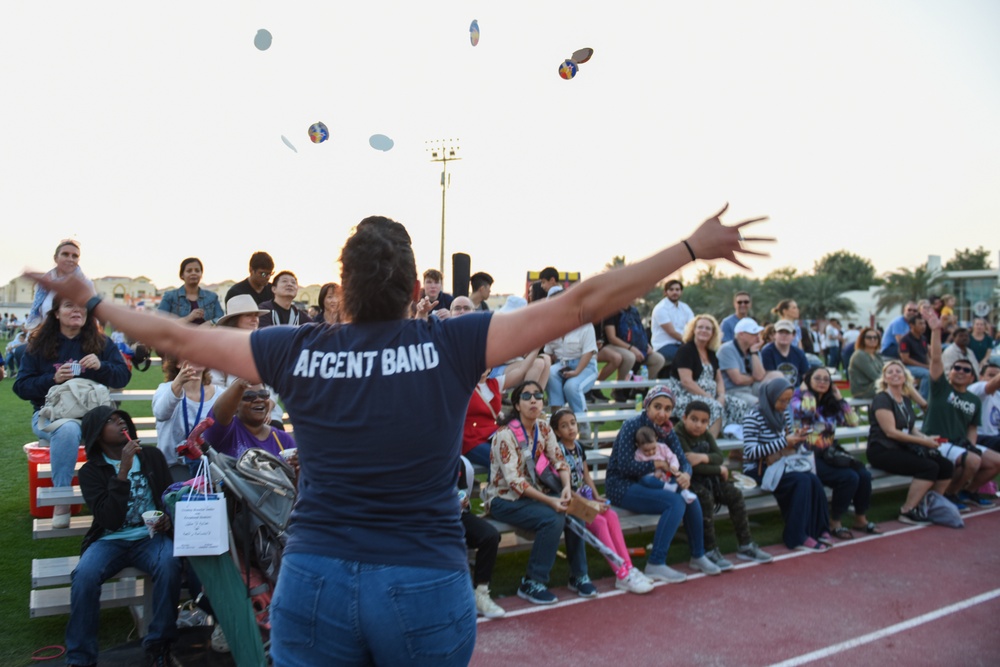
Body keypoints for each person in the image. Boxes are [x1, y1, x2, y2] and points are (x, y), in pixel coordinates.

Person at [29, 206, 765, 663]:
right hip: (423, 582)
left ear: (341, 289)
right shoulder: (453, 343)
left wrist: (93, 299)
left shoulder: (295, 348)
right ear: (417, 288)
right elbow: (583, 301)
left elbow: (171, 334)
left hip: (313, 581)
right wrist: (690, 247)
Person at [69, 406, 183, 667]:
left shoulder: (152, 457)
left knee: (169, 564)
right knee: (84, 576)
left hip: (149, 537)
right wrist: (123, 471)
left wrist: (167, 518)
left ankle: (159, 644)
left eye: (121, 418)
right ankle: (80, 658)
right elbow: (108, 519)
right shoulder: (91, 471)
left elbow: (169, 497)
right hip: (110, 539)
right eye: (110, 421)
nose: (119, 421)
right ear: (97, 434)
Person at [13, 298, 132, 528]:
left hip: (94, 415)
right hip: (50, 416)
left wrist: (102, 366)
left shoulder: (101, 342)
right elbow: (21, 387)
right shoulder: (39, 345)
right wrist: (52, 379)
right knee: (68, 429)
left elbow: (122, 377)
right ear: (56, 313)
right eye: (69, 305)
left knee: (114, 428)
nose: (77, 309)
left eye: (81, 307)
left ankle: (116, 497)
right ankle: (62, 500)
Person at [482, 381, 598, 604]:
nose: (533, 399)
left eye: (538, 395)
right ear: (516, 405)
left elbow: (560, 460)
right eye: (526, 396)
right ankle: (532, 582)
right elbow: (515, 483)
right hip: (504, 500)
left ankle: (579, 576)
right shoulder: (506, 435)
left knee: (575, 508)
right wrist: (551, 502)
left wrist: (566, 488)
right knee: (552, 517)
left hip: (534, 496)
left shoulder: (544, 428)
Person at [606, 386, 721, 582]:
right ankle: (656, 563)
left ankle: (698, 555)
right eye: (657, 407)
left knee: (690, 498)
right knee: (675, 502)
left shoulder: (667, 430)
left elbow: (682, 459)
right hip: (622, 486)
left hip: (654, 484)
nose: (662, 413)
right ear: (647, 405)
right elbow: (625, 466)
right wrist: (656, 464)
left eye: (667, 409)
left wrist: (686, 473)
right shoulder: (631, 426)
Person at [550, 408, 654, 594]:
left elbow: (586, 475)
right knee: (599, 523)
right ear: (557, 432)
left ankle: (628, 567)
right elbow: (563, 487)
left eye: (572, 423)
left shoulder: (579, 446)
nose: (570, 429)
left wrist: (597, 496)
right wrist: (590, 504)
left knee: (611, 515)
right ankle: (620, 573)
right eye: (564, 426)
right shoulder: (557, 451)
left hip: (586, 497)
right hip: (571, 502)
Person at [675, 400, 773, 568]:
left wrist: (704, 458)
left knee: (734, 494)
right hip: (686, 482)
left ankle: (746, 545)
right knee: (705, 497)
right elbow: (691, 468)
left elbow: (719, 456)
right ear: (684, 418)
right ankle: (709, 550)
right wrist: (718, 469)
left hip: (708, 479)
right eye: (694, 419)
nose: (699, 425)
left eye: (704, 421)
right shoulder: (678, 435)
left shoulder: (705, 434)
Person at [920, 306, 1000, 510]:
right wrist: (936, 331)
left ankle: (968, 491)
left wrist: (970, 445)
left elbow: (972, 428)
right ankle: (948, 494)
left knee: (995, 461)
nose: (961, 371)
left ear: (972, 376)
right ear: (950, 372)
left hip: (959, 443)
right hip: (936, 441)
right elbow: (936, 358)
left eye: (966, 369)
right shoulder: (941, 388)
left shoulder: (973, 399)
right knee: (973, 461)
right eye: (957, 368)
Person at [742, 378, 831, 552]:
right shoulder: (753, 416)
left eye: (788, 400)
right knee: (802, 481)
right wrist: (784, 441)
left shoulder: (784, 414)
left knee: (812, 479)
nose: (785, 404)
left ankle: (819, 529)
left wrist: (798, 438)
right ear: (770, 397)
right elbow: (751, 452)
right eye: (781, 400)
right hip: (758, 469)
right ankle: (796, 537)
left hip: (781, 464)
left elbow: (788, 442)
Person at [791, 367, 877, 539]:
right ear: (807, 381)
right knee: (849, 477)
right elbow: (807, 412)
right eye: (817, 378)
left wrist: (840, 399)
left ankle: (860, 518)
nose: (822, 382)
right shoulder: (796, 399)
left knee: (864, 474)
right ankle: (834, 521)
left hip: (829, 452)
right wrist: (806, 392)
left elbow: (852, 422)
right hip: (807, 455)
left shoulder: (830, 402)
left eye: (826, 379)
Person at [866, 360, 954, 525]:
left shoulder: (905, 399)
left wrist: (927, 439)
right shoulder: (882, 399)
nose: (894, 374)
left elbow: (911, 428)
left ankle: (928, 506)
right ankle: (907, 511)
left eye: (898, 371)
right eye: (890, 372)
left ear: (905, 377)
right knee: (929, 467)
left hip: (901, 447)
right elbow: (891, 432)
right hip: (882, 449)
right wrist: (924, 443)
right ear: (884, 378)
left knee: (946, 466)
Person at [665, 314, 748, 437]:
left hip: (709, 396)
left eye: (708, 328)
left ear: (713, 333)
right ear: (694, 330)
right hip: (685, 396)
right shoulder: (686, 350)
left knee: (739, 404)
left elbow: (719, 379)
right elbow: (686, 382)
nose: (704, 330)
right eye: (700, 327)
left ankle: (734, 445)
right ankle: (708, 446)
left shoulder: (711, 353)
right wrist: (709, 397)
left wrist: (721, 396)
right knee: (714, 407)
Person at [543, 286, 598, 438]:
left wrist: (577, 371)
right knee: (551, 372)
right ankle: (557, 420)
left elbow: (589, 352)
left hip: (586, 366)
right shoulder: (551, 326)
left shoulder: (584, 324)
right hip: (562, 365)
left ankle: (583, 425)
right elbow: (547, 353)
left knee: (571, 386)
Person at [455, 456, 506, 618]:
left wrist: (463, 502)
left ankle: (481, 593)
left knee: (490, 536)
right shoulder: (423, 460)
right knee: (447, 541)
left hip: (456, 514)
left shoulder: (459, 462)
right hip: (430, 517)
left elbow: (462, 492)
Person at [153, 356, 219, 470]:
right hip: (171, 466)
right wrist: (178, 383)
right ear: (177, 364)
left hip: (207, 466)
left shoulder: (219, 394)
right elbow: (161, 414)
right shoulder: (165, 390)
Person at [204, 379, 295, 459]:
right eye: (249, 396)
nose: (259, 400)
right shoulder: (225, 434)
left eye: (263, 394)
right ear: (235, 405)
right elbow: (219, 413)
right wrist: (241, 382)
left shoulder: (283, 439)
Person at [26, 239, 93, 331]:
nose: (70, 259)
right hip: (47, 337)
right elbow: (39, 315)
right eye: (65, 254)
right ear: (55, 258)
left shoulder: (85, 284)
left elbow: (92, 316)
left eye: (75, 256)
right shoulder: (44, 284)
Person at [633, 426, 695, 501]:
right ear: (638, 445)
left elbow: (672, 457)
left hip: (666, 475)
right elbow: (638, 469)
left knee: (677, 479)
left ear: (656, 439)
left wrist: (673, 466)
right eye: (646, 451)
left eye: (653, 448)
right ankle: (669, 488)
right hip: (652, 479)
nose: (651, 452)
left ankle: (685, 492)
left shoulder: (662, 448)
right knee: (646, 480)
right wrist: (653, 475)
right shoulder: (638, 454)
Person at [157, 257, 224, 325]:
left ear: (201, 274)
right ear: (182, 275)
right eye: (189, 271)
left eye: (197, 270)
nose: (193, 273)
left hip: (206, 335)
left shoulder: (212, 297)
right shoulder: (170, 296)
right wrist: (188, 318)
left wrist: (210, 323)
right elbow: (160, 321)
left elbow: (221, 319)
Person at [718, 317, 768, 408]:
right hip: (733, 391)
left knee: (775, 399)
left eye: (758, 334)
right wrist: (754, 378)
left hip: (751, 388)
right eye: (754, 334)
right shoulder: (727, 349)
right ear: (741, 334)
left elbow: (760, 376)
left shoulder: (754, 349)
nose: (758, 337)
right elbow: (738, 380)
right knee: (758, 404)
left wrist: (754, 353)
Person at [650, 279, 693, 362]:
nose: (675, 292)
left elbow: (692, 326)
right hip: (664, 345)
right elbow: (672, 332)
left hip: (682, 343)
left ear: (681, 292)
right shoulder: (661, 308)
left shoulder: (685, 308)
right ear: (665, 292)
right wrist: (690, 342)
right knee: (686, 356)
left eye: (677, 290)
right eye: (671, 289)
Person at [760, 319, 810, 387]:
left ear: (793, 335)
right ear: (774, 334)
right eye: (780, 332)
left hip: (796, 390)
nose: (784, 335)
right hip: (774, 389)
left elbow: (806, 375)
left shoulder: (799, 353)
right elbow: (769, 377)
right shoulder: (767, 352)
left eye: (787, 333)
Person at [847, 326, 887, 400]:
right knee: (895, 385)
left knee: (900, 384)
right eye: (869, 337)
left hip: (876, 386)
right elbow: (874, 376)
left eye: (875, 337)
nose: (872, 339)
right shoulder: (859, 355)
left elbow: (884, 372)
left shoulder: (876, 355)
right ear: (862, 339)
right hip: (863, 391)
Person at [899, 314, 931, 400]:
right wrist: (925, 367)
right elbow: (905, 359)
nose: (923, 326)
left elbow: (926, 355)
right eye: (920, 323)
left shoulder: (923, 339)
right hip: (908, 367)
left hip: (922, 366)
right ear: (911, 325)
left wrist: (931, 366)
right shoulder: (905, 339)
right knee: (927, 374)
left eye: (924, 323)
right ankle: (922, 399)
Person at [969, 361, 1000, 452]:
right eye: (991, 375)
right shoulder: (976, 388)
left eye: (996, 375)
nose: (994, 378)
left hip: (995, 436)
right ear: (981, 377)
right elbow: (995, 382)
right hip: (978, 437)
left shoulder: (998, 395)